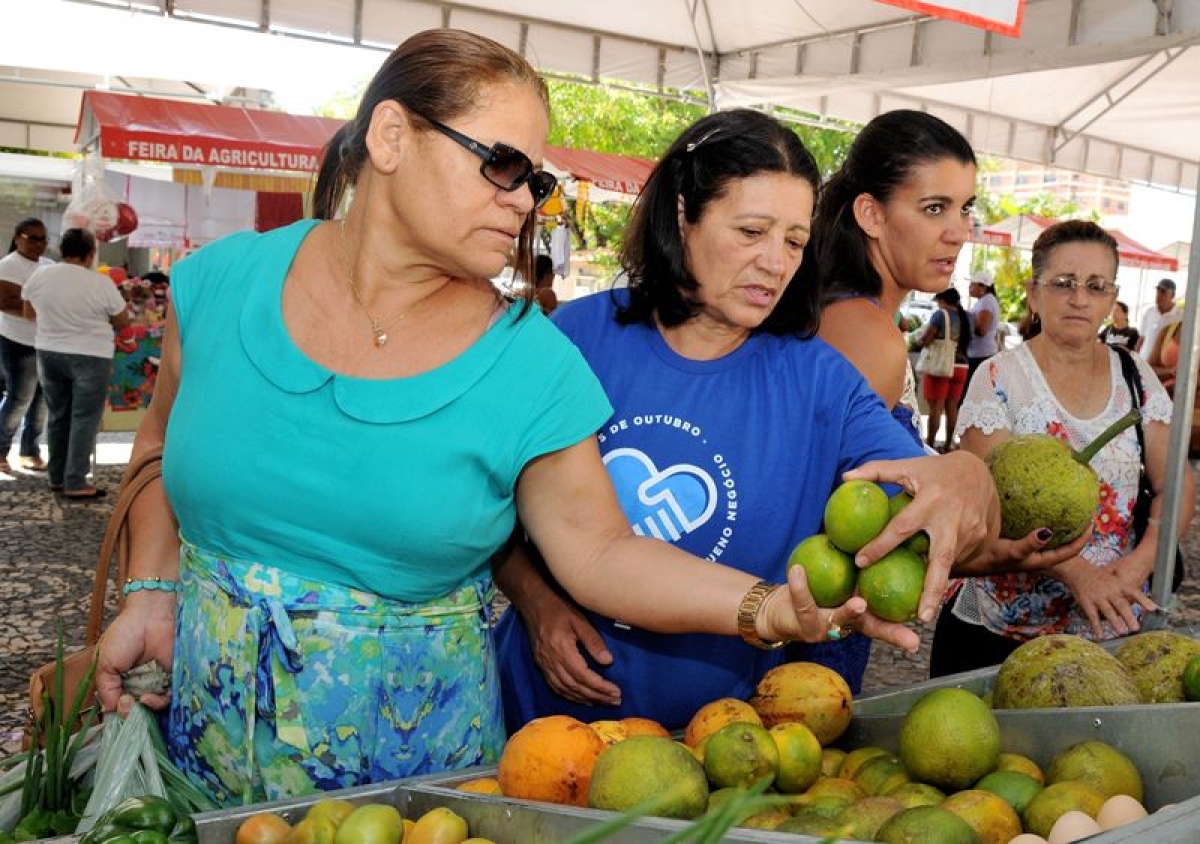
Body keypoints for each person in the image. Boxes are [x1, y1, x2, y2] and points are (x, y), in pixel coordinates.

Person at [93, 29, 936, 807]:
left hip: (414, 792)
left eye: (536, 179)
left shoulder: (530, 361)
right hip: (194, 753)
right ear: (390, 137)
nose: (524, 200)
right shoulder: (218, 284)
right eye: (502, 165)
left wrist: (767, 611)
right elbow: (163, 445)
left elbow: (602, 550)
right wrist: (150, 589)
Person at [494, 109, 1009, 734]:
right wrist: (536, 600)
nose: (775, 263)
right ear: (684, 214)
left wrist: (964, 476)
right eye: (751, 231)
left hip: (708, 742)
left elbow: (941, 501)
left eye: (794, 241)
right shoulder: (575, 338)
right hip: (539, 726)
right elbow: (490, 505)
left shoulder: (820, 382)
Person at [930, 220, 1194, 677]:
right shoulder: (999, 378)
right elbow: (984, 512)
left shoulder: (1135, 376)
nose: (1079, 299)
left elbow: (1175, 485)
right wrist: (1080, 575)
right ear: (1034, 294)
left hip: (1109, 630)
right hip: (1004, 632)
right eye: (1064, 284)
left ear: (1111, 299)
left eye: (1096, 286)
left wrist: (1137, 565)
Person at [805, 109, 979, 449]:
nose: (959, 232)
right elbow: (834, 491)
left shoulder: (848, 311)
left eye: (965, 208)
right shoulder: (867, 335)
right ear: (871, 215)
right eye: (934, 208)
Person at [21, 228, 128, 499]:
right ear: (91, 254)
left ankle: (56, 477)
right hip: (91, 355)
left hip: (49, 352)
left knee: (58, 416)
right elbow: (122, 320)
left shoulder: (41, 275)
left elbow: (28, 312)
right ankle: (77, 481)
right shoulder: (100, 283)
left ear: (61, 250)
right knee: (84, 418)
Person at [0, 217, 52, 473]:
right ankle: (1, 450)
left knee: (41, 400)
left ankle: (30, 451)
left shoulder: (50, 266)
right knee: (19, 398)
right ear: (18, 237)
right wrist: (36, 310)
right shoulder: (7, 266)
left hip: (47, 342)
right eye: (33, 238)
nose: (38, 244)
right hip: (16, 341)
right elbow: (4, 302)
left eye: (43, 239)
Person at [918, 287, 971, 452]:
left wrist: (919, 339)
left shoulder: (941, 315)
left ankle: (930, 444)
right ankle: (948, 443)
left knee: (936, 407)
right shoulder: (966, 317)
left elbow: (927, 338)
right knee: (952, 406)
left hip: (940, 366)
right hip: (961, 366)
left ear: (942, 300)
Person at [965, 271, 1001, 384]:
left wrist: (966, 321)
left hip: (981, 355)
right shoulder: (984, 301)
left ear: (982, 286)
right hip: (978, 353)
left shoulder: (987, 302)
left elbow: (981, 330)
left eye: (972, 285)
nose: (969, 287)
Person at [1135, 278, 1179, 360]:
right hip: (1143, 361)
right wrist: (1134, 358)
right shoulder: (1149, 312)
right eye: (1158, 291)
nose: (1159, 295)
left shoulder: (1179, 316)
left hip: (1162, 367)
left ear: (1172, 296)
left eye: (1163, 292)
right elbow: (1141, 338)